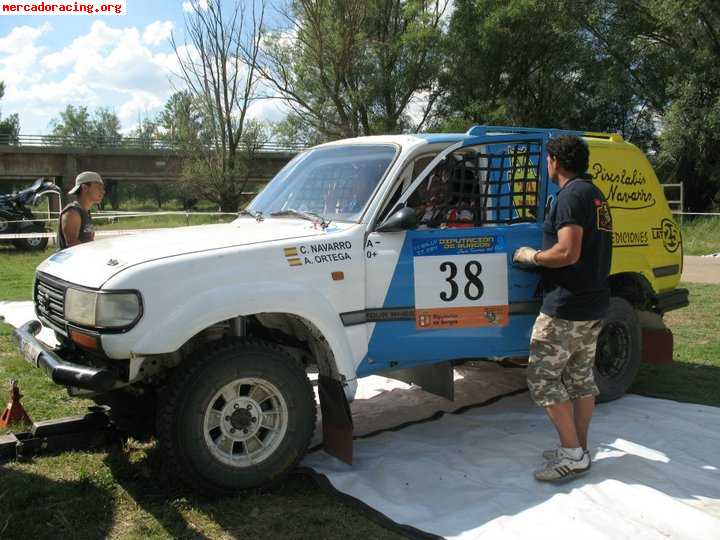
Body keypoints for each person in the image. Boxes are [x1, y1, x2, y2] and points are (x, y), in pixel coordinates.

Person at [512, 135, 613, 483]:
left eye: (547, 159)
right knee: (581, 380)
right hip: (594, 302)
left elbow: (568, 252)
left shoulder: (570, 197)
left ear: (554, 160)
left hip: (567, 306)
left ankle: (572, 454)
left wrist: (533, 256)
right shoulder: (595, 194)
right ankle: (579, 450)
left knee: (542, 378)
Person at [57, 171, 105, 250]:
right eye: (98, 187)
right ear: (85, 188)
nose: (103, 191)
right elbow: (72, 243)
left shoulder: (85, 212)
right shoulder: (72, 212)